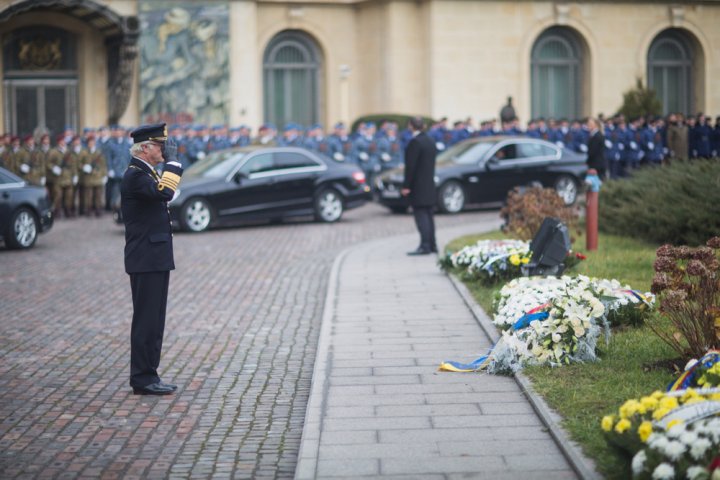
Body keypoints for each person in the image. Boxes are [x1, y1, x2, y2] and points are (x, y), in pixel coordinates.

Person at [121, 123, 184, 396]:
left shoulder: (145, 172)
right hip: (146, 258)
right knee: (147, 320)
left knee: (154, 320)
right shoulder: (136, 175)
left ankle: (150, 374)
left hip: (153, 257)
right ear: (144, 149)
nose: (163, 150)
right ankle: (143, 378)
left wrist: (167, 164)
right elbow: (164, 192)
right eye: (160, 146)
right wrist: (174, 162)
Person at [401, 117, 437, 255]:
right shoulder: (430, 140)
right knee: (429, 215)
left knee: (421, 216)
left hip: (418, 186)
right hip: (429, 183)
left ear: (411, 126)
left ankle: (425, 245)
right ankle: (432, 244)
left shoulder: (415, 142)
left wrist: (406, 186)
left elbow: (411, 167)